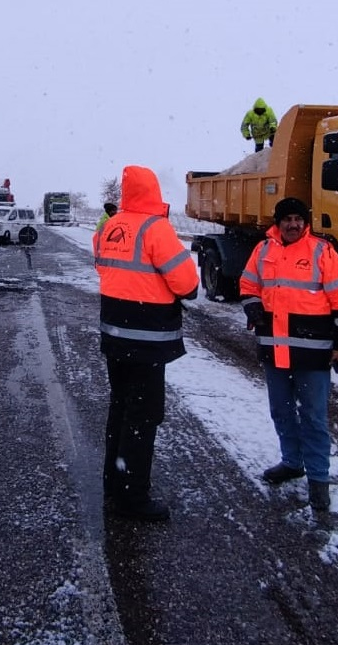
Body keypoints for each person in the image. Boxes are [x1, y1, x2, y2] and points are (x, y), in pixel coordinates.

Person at [238, 197, 338, 512]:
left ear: (306, 223)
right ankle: (292, 462)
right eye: (287, 219)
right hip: (275, 350)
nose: (293, 224)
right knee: (281, 411)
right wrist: (252, 306)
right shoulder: (263, 250)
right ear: (277, 223)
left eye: (298, 219)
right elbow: (248, 284)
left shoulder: (322, 251)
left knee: (314, 417)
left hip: (313, 354)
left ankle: (318, 481)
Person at [93, 166, 199, 521]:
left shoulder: (110, 226)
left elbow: (103, 266)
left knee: (120, 411)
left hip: (115, 336)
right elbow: (186, 283)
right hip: (147, 341)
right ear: (153, 191)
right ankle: (133, 497)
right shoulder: (156, 229)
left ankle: (114, 483)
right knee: (144, 417)